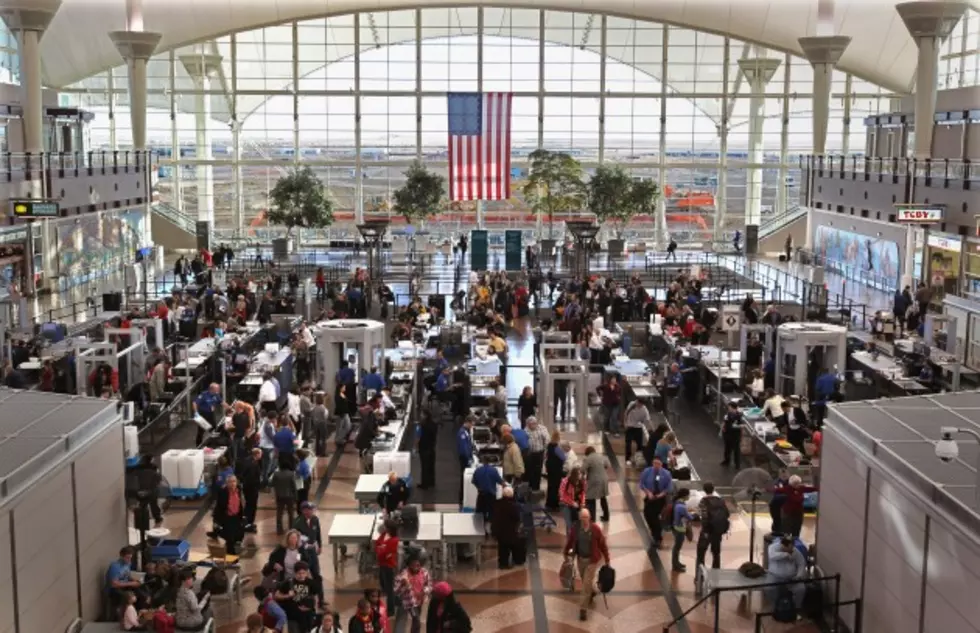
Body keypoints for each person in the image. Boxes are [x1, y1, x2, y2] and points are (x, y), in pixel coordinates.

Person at [564, 508, 611, 622]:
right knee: (586, 581)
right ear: (580, 517)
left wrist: (607, 559)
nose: (585, 519)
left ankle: (583, 610)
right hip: (580, 559)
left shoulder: (595, 529)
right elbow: (570, 541)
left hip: (592, 561)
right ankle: (593, 592)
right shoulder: (576, 529)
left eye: (586, 517)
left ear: (589, 518)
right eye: (583, 517)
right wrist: (566, 552)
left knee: (585, 585)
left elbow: (602, 544)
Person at [765, 536, 808, 609]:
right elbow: (772, 556)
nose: (791, 550)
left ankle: (795, 608)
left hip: (791, 577)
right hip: (774, 575)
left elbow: (801, 563)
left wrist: (799, 575)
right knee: (769, 588)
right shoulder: (773, 547)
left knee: (801, 589)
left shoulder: (795, 551)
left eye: (792, 547)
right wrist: (786, 555)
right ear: (783, 545)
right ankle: (775, 606)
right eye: (789, 548)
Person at [639, 456, 673, 547]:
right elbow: (642, 484)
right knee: (647, 514)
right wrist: (648, 492)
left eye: (658, 464)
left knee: (654, 517)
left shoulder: (666, 474)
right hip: (650, 496)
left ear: (661, 464)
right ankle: (654, 532)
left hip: (660, 499)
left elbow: (668, 488)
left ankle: (658, 538)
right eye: (654, 463)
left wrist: (660, 495)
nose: (656, 465)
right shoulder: (647, 471)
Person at [696, 482, 729, 572]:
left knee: (701, 553)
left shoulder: (703, 501)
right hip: (717, 531)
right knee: (716, 553)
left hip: (707, 531)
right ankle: (716, 573)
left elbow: (704, 517)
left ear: (704, 490)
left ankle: (699, 575)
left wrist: (705, 530)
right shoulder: (721, 500)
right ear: (713, 489)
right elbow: (727, 514)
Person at [394, 556, 431, 633]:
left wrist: (424, 591)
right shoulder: (403, 575)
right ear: (409, 565)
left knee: (416, 621)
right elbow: (396, 590)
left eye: (418, 565)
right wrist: (404, 585)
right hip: (408, 601)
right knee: (416, 620)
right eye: (413, 565)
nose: (415, 568)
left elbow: (429, 585)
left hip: (420, 600)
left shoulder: (424, 572)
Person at [491, 486, 525, 569]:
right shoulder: (514, 506)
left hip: (498, 531)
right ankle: (518, 560)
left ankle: (503, 563)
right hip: (510, 531)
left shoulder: (497, 503)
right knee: (518, 543)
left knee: (503, 548)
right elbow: (517, 518)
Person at [213, 475, 245, 555]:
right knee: (230, 538)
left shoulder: (239, 490)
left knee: (238, 535)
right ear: (227, 483)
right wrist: (217, 521)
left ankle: (231, 549)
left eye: (234, 481)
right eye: (230, 482)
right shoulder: (223, 492)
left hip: (236, 517)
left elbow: (240, 503)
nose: (232, 483)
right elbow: (219, 507)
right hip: (227, 518)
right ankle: (232, 557)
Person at [292, 501, 323, 581]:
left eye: (312, 509)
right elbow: (295, 539)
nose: (312, 511)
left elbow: (318, 533)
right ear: (304, 511)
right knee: (303, 572)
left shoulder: (315, 519)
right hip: (302, 552)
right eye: (310, 509)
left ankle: (318, 590)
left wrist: (320, 546)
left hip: (312, 549)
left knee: (316, 571)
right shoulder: (297, 523)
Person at [374, 520, 399, 617]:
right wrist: (381, 548)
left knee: (389, 589)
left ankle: (391, 610)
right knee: (384, 585)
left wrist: (381, 548)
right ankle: (396, 601)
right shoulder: (384, 534)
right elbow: (377, 545)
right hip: (382, 564)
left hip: (388, 566)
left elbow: (385, 552)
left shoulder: (394, 540)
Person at [106, 547, 141, 612]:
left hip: (125, 586)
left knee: (140, 591)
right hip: (114, 589)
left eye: (130, 558)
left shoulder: (128, 564)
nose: (129, 560)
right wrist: (131, 583)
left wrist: (135, 580)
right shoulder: (115, 566)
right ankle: (125, 614)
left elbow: (127, 576)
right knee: (128, 596)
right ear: (121, 556)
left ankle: (139, 611)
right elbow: (114, 584)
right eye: (127, 557)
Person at [472, 455, 503, 528]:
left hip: (481, 495)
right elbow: (500, 481)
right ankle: (490, 530)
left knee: (479, 514)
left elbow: (474, 482)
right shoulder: (494, 470)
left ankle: (479, 531)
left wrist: (479, 488)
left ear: (483, 461)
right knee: (491, 513)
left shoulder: (478, 470)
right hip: (491, 496)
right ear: (490, 462)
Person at [581, 446, 611, 522]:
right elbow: (607, 465)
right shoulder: (601, 456)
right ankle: (606, 516)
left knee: (590, 498)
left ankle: (592, 518)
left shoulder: (588, 458)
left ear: (587, 453)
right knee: (603, 497)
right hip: (604, 479)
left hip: (594, 480)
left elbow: (582, 469)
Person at [238, 449, 263, 533]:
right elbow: (253, 478)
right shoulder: (253, 465)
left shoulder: (247, 460)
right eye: (260, 454)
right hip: (252, 488)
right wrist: (258, 485)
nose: (261, 455)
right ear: (257, 454)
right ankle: (249, 522)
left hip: (246, 487)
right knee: (252, 505)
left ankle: (246, 521)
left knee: (248, 504)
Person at [272, 455, 298, 534]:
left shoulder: (276, 474)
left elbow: (272, 484)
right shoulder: (291, 474)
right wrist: (296, 496)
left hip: (279, 496)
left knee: (279, 513)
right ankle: (291, 528)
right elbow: (293, 486)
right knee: (291, 513)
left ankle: (279, 529)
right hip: (289, 496)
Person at [524, 417, 550, 491]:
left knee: (538, 470)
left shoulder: (542, 429)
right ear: (528, 424)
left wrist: (545, 451)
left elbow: (547, 440)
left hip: (540, 453)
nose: (533, 425)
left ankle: (536, 487)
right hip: (530, 453)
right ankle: (531, 486)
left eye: (535, 423)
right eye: (531, 424)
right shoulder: (525, 430)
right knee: (530, 470)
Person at [558, 466, 586, 534]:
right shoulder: (565, 482)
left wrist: (582, 504)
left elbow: (583, 494)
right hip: (565, 504)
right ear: (574, 474)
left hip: (576, 505)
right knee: (569, 524)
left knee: (577, 522)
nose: (581, 475)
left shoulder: (581, 482)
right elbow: (562, 495)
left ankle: (576, 539)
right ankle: (570, 539)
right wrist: (572, 502)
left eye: (581, 474)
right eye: (579, 474)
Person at [670, 487, 692, 572]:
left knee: (677, 547)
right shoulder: (681, 506)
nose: (689, 496)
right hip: (680, 529)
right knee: (677, 548)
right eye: (688, 495)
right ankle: (675, 565)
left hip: (676, 527)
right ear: (685, 495)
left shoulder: (677, 503)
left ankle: (677, 563)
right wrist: (694, 515)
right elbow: (689, 517)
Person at [624, 398, 650, 466]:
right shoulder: (631, 404)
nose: (639, 405)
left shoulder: (644, 409)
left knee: (639, 444)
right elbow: (626, 413)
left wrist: (644, 424)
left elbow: (647, 419)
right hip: (630, 427)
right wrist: (625, 423)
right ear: (637, 401)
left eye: (641, 405)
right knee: (628, 443)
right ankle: (627, 458)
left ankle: (637, 458)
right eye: (639, 404)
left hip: (638, 428)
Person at [544, 430, 566, 511]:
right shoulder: (557, 448)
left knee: (550, 486)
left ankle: (549, 503)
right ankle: (554, 505)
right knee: (556, 487)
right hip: (556, 470)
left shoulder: (549, 446)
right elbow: (563, 458)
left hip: (550, 469)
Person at [720, 402, 744, 469]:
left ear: (733, 408)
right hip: (727, 434)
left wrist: (736, 427)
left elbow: (742, 426)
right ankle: (726, 461)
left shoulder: (739, 416)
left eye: (729, 407)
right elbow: (724, 422)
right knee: (727, 449)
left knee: (736, 450)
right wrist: (722, 430)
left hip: (735, 435)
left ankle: (737, 464)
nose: (728, 408)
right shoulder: (727, 414)